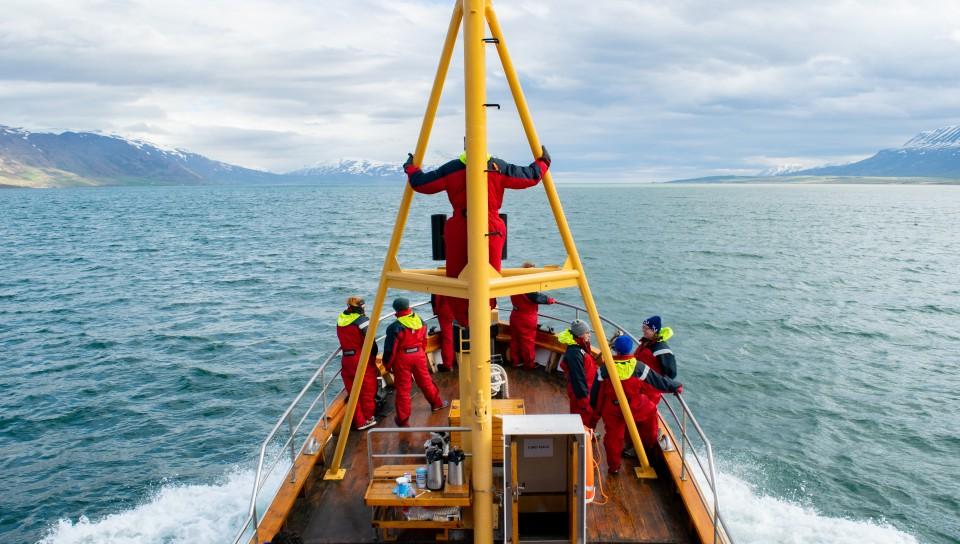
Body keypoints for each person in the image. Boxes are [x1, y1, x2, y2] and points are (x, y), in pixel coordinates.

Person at [403, 147, 551, 324]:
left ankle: (463, 320)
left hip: (460, 226)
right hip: (491, 226)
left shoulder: (452, 168)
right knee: (489, 277)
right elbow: (530, 176)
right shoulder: (499, 167)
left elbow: (422, 184)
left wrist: (411, 168)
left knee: (457, 279)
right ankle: (482, 316)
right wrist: (543, 162)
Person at [589, 336, 682, 474]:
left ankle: (614, 468)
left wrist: (595, 410)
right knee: (651, 412)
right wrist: (676, 387)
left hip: (612, 409)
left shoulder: (604, 369)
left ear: (615, 350)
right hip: (634, 406)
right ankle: (648, 445)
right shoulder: (639, 367)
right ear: (630, 350)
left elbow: (595, 392)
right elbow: (658, 381)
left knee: (613, 439)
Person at [383, 297, 448, 427]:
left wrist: (388, 365)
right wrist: (420, 353)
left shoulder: (394, 327)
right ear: (408, 307)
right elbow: (424, 341)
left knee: (403, 390)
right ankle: (436, 404)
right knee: (425, 381)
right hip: (418, 355)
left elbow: (391, 350)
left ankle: (403, 420)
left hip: (403, 358)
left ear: (396, 310)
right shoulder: (420, 321)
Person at [336, 296, 379, 431]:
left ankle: (359, 421)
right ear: (360, 307)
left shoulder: (341, 319)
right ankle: (368, 418)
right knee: (367, 390)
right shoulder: (362, 321)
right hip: (360, 360)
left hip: (346, 360)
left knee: (353, 392)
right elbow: (371, 343)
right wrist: (373, 356)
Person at [509, 262, 556, 369]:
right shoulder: (528, 287)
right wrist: (550, 300)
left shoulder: (514, 283)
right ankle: (529, 364)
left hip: (515, 315)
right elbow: (537, 297)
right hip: (526, 318)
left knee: (515, 340)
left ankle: (515, 361)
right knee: (528, 342)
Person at [557, 319, 597, 426]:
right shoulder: (575, 353)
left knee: (585, 416)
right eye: (587, 333)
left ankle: (587, 433)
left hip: (586, 389)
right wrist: (583, 400)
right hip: (581, 393)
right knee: (581, 418)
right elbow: (577, 378)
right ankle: (580, 437)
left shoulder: (580, 346)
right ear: (580, 335)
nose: (590, 335)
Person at [430, 294, 456, 371]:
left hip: (446, 311)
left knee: (448, 338)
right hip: (460, 309)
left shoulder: (441, 282)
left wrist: (436, 311)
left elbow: (437, 297)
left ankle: (447, 364)